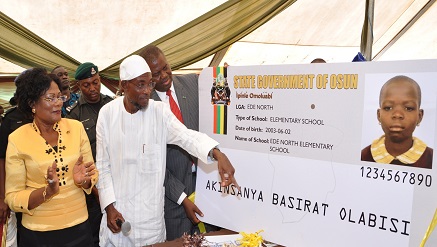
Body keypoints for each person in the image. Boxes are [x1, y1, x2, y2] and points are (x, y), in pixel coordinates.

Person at [96, 55, 238, 246]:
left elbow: (187, 137)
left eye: (149, 84)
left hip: (150, 223)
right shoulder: (107, 114)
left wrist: (217, 154)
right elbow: (102, 166)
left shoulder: (159, 112)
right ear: (123, 85)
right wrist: (109, 206)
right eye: (140, 85)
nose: (147, 91)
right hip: (118, 218)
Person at [4, 68, 99, 246]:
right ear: (32, 103)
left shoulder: (76, 128)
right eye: (50, 98)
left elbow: (92, 174)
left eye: (60, 97)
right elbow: (13, 196)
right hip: (39, 234)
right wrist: (47, 191)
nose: (58, 103)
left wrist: (83, 181)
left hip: (79, 227)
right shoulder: (17, 139)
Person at [140, 45, 218, 240]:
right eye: (156, 74)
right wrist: (182, 198)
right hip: (172, 198)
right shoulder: (144, 107)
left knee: (210, 240)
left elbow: (220, 101)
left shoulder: (192, 83)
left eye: (166, 68)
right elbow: (153, 163)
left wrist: (230, 77)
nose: (165, 75)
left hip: (206, 184)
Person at [66, 62, 112, 247]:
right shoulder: (74, 115)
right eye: (87, 85)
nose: (93, 88)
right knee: (94, 235)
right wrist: (95, 191)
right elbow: (75, 158)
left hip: (115, 179)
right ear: (78, 86)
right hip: (91, 189)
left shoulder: (112, 105)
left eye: (96, 82)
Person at [361, 75, 433, 169]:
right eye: (388, 108)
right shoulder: (364, 156)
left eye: (408, 108)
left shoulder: (430, 159)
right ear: (379, 115)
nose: (397, 114)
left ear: (419, 116)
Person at [0, 69, 34, 247]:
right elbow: (2, 159)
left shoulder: (45, 115)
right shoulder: (11, 119)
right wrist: (2, 198)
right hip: (20, 192)